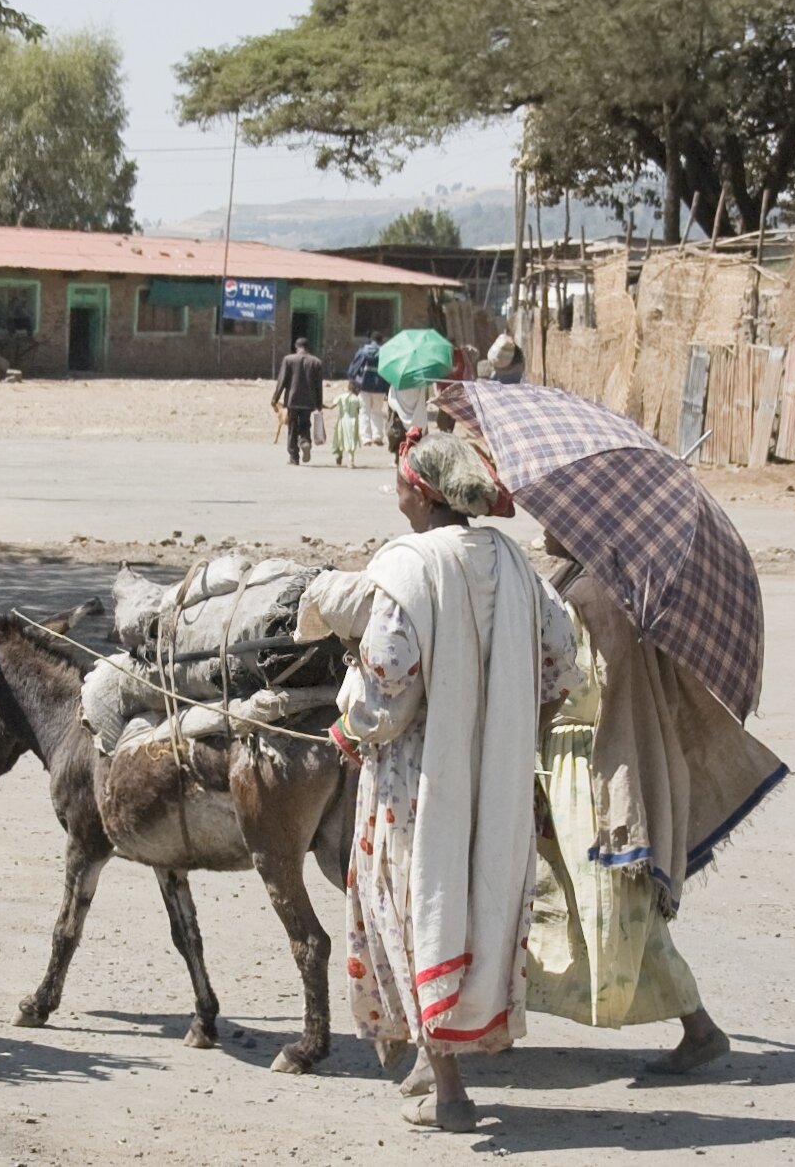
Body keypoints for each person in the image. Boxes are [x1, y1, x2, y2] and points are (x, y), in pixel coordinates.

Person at [298, 430, 579, 1133]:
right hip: (500, 778)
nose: (392, 491)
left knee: (414, 905)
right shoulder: (513, 561)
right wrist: (509, 721)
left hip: (417, 782)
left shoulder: (408, 566)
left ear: (420, 492)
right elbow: (562, 657)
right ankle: (434, 1060)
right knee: (476, 904)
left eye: (398, 480)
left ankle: (451, 1093)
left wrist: (352, 721)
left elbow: (387, 683)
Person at [523, 533, 786, 1073]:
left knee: (609, 899)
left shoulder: (591, 594)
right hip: (582, 752)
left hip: (586, 759)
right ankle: (500, 1017)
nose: (543, 524)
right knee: (555, 890)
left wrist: (527, 727)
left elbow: (575, 680)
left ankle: (700, 1025)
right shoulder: (599, 583)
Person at [271, 337, 324, 465]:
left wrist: (275, 399)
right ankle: (305, 442)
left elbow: (282, 381)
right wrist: (319, 403)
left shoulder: (288, 360)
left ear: (296, 347)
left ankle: (294, 457)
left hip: (292, 400)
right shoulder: (316, 362)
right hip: (309, 401)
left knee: (292, 427)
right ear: (308, 347)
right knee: (305, 423)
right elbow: (318, 385)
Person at [347, 330, 391, 446]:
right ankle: (377, 435)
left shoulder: (363, 351)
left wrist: (353, 380)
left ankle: (366, 438)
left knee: (364, 411)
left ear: (371, 340)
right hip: (380, 386)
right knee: (377, 411)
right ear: (381, 341)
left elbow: (353, 369)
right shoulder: (384, 352)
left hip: (364, 386)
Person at [331, 379, 363, 467]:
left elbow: (332, 405)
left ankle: (338, 455)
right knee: (351, 440)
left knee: (339, 438)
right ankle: (351, 461)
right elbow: (359, 409)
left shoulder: (341, 396)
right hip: (353, 422)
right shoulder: (356, 399)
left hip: (342, 420)